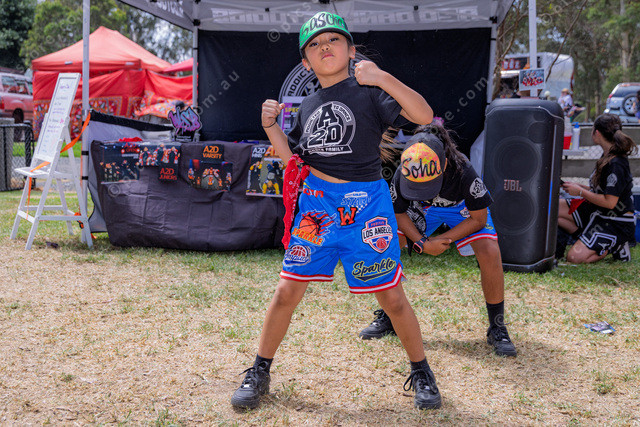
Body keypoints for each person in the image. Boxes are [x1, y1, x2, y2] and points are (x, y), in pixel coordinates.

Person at [230, 11, 442, 411]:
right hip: (317, 209)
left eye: (333, 40)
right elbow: (293, 161)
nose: (324, 47)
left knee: (392, 298)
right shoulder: (308, 105)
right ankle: (259, 370)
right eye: (314, 44)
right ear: (306, 62)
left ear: (351, 50)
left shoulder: (370, 91)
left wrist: (381, 77)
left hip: (368, 210)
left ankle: (422, 372)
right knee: (286, 291)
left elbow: (424, 115)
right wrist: (271, 127)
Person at [359, 123, 517, 357]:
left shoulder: (464, 171)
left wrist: (443, 239)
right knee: (387, 244)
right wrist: (421, 243)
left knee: (489, 249)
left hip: (460, 210)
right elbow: (398, 214)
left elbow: (479, 219)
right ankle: (390, 315)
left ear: (443, 164)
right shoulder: (404, 169)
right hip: (423, 208)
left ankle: (497, 326)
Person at [558, 114, 637, 263]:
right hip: (597, 212)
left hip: (615, 220)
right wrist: (578, 187)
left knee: (573, 257)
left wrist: (580, 192)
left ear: (597, 133)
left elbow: (610, 202)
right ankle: (588, 238)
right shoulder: (607, 155)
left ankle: (615, 246)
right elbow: (603, 190)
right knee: (553, 209)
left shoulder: (617, 164)